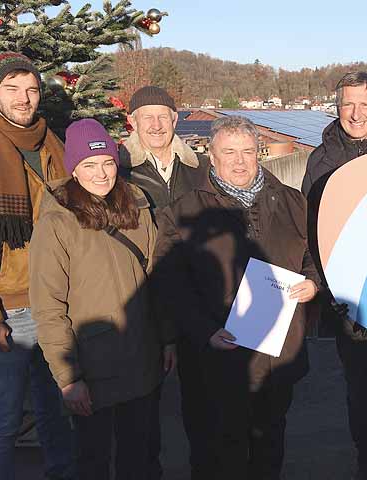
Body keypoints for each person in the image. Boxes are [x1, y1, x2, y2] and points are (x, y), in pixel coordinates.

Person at [152, 115, 319, 480]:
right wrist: (203, 330)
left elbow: (315, 255)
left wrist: (313, 281)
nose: (239, 161)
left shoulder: (292, 202)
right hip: (217, 355)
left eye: (247, 151)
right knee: (218, 450)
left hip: (278, 350)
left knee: (270, 443)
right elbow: (169, 283)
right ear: (211, 156)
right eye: (229, 152)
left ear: (258, 154)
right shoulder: (184, 211)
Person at [29, 119, 163, 480]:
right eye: (89, 165)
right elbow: (48, 307)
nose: (101, 173)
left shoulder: (137, 206)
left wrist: (167, 341)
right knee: (93, 461)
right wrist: (68, 377)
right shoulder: (57, 222)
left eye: (106, 162)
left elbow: (156, 281)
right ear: (73, 169)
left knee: (142, 459)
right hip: (92, 367)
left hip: (141, 359)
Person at [301, 71, 367, 480]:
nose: (356, 113)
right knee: (358, 383)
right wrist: (325, 283)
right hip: (346, 292)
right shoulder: (321, 159)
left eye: (364, 104)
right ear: (337, 107)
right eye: (348, 104)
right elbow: (312, 227)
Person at [0, 51, 76, 480]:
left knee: (56, 412)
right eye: (11, 88)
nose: (24, 98)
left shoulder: (50, 142)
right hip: (8, 306)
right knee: (1, 423)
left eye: (31, 89)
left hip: (55, 299)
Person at [119, 84, 207, 479]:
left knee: (203, 404)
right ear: (132, 122)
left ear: (176, 120)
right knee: (143, 411)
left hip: (197, 297)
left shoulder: (200, 169)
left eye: (163, 116)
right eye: (146, 117)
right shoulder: (118, 171)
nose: (155, 125)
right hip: (144, 296)